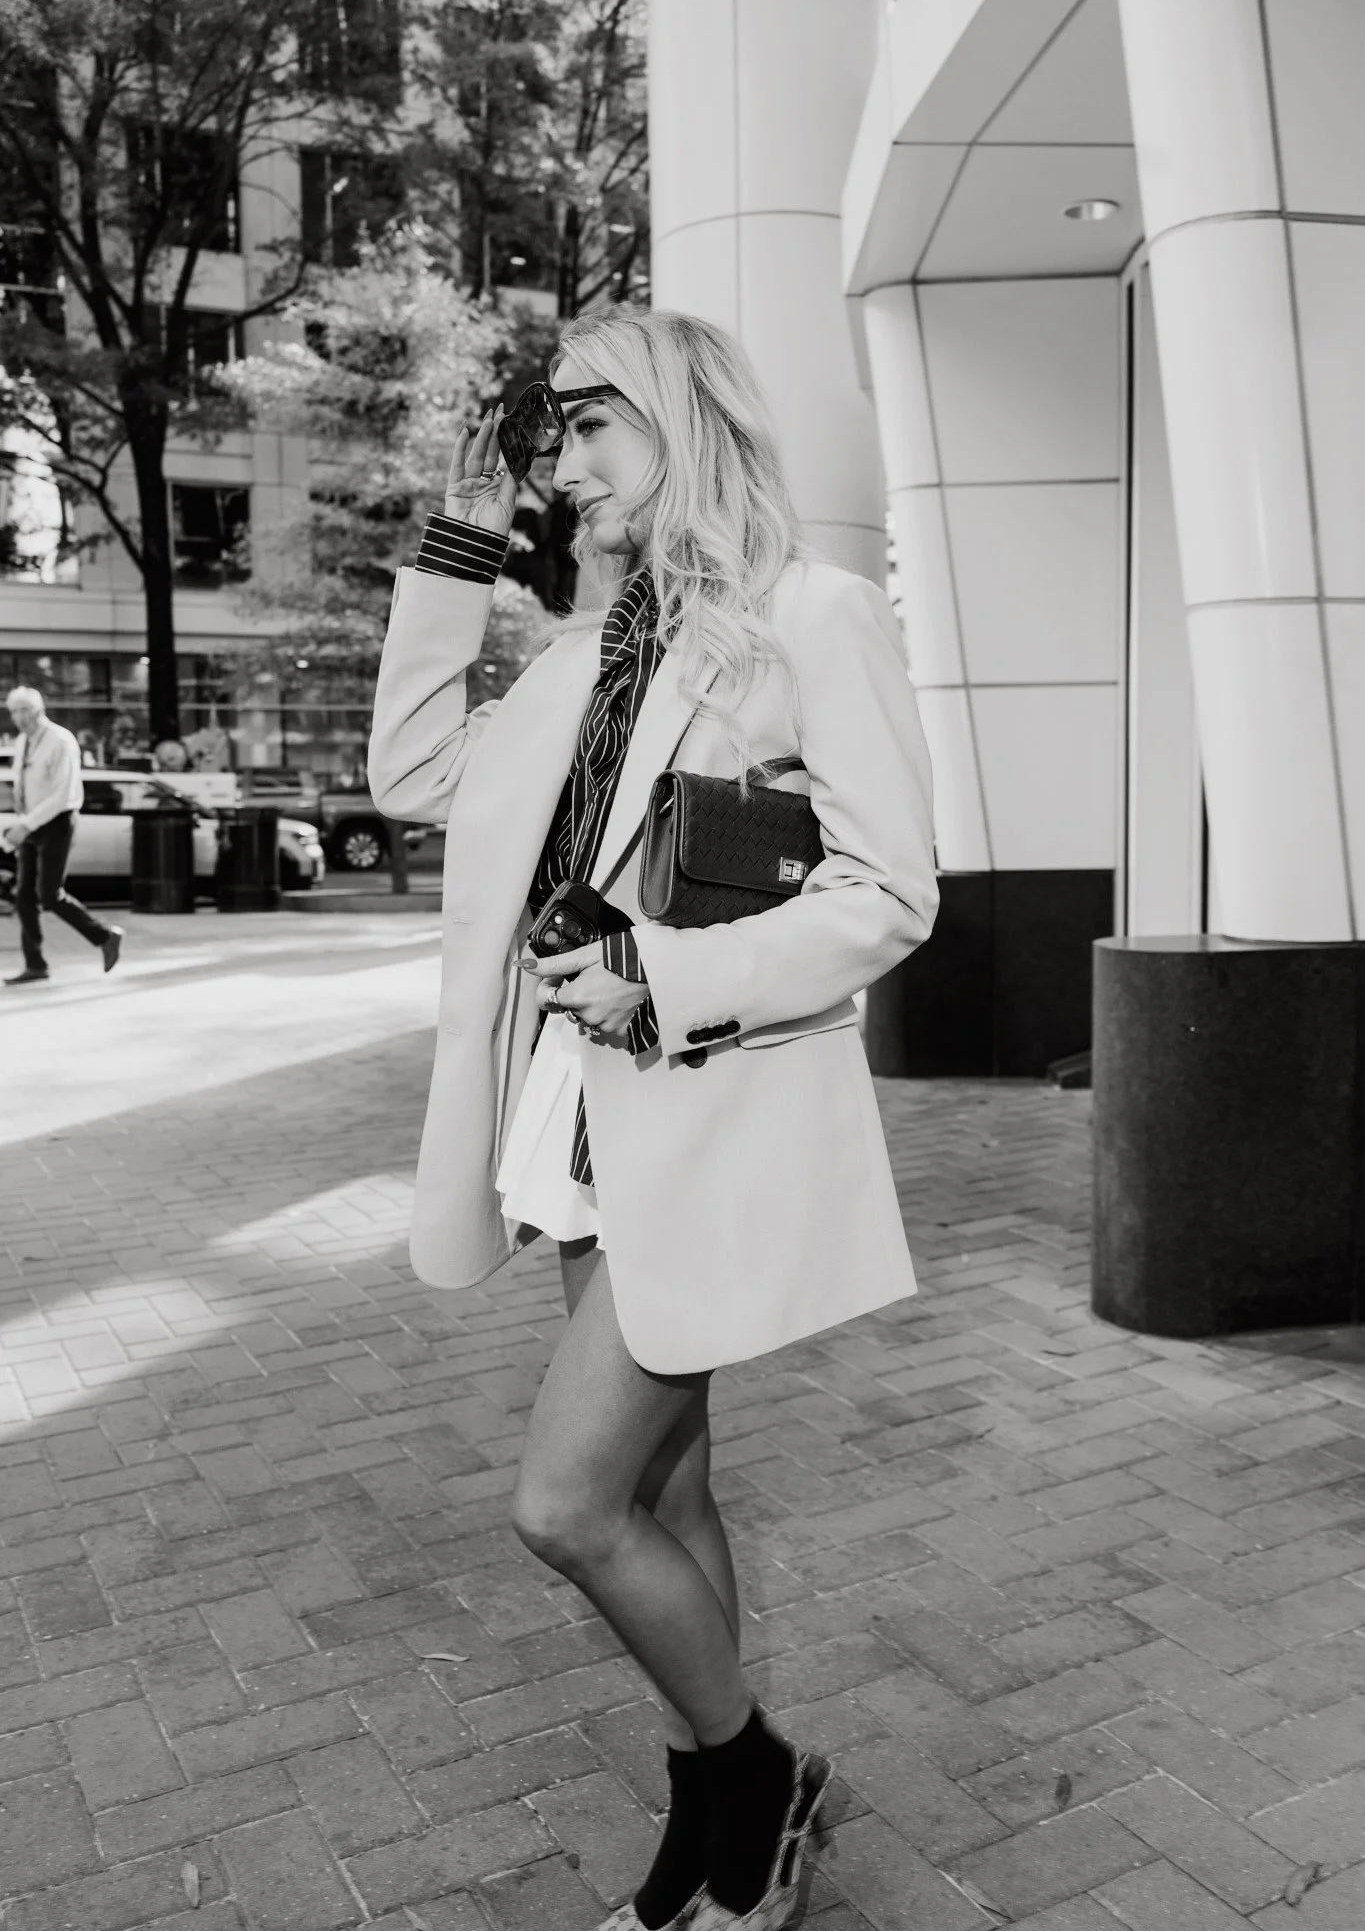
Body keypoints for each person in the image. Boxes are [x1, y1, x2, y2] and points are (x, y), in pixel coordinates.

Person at [368, 307, 937, 1931]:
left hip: (707, 1108)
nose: (567, 460)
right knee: (669, 1495)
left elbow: (891, 887)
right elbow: (415, 775)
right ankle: (733, 1828)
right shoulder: (584, 648)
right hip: (580, 1126)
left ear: (684, 420)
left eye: (592, 424)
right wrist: (460, 537)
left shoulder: (812, 615)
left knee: (568, 1502)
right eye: (552, 435)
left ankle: (751, 1773)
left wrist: (669, 972)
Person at [4, 687, 123, 985]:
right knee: (23, 896)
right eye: (14, 711)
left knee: (49, 894)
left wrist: (26, 825)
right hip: (31, 823)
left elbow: (63, 795)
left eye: (23, 711)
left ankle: (105, 936)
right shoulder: (22, 741)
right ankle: (36, 964)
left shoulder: (61, 740)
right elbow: (22, 783)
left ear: (38, 710)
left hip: (57, 821)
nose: (18, 717)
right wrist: (23, 824)